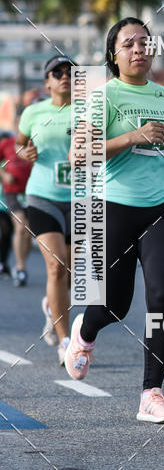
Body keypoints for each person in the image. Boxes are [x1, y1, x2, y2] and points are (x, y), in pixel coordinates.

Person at [65, 17, 164, 424]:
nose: (139, 49)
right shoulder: (102, 96)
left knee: (162, 299)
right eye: (129, 44)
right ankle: (85, 332)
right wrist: (131, 136)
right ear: (114, 54)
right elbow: (78, 156)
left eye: (145, 42)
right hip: (115, 207)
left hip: (162, 207)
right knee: (115, 305)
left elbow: (159, 144)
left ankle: (151, 393)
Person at [16, 56, 76, 362]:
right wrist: (24, 152)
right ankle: (66, 341)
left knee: (73, 274)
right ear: (47, 82)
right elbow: (20, 144)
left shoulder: (91, 111)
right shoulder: (33, 112)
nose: (65, 76)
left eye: (70, 72)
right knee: (56, 267)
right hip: (43, 196)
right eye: (57, 72)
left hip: (81, 198)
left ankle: (52, 308)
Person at [0, 129, 33, 286]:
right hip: (12, 192)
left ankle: (22, 264)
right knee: (20, 227)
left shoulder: (35, 141)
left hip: (32, 192)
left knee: (28, 232)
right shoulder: (7, 143)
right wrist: (4, 174)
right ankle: (20, 268)